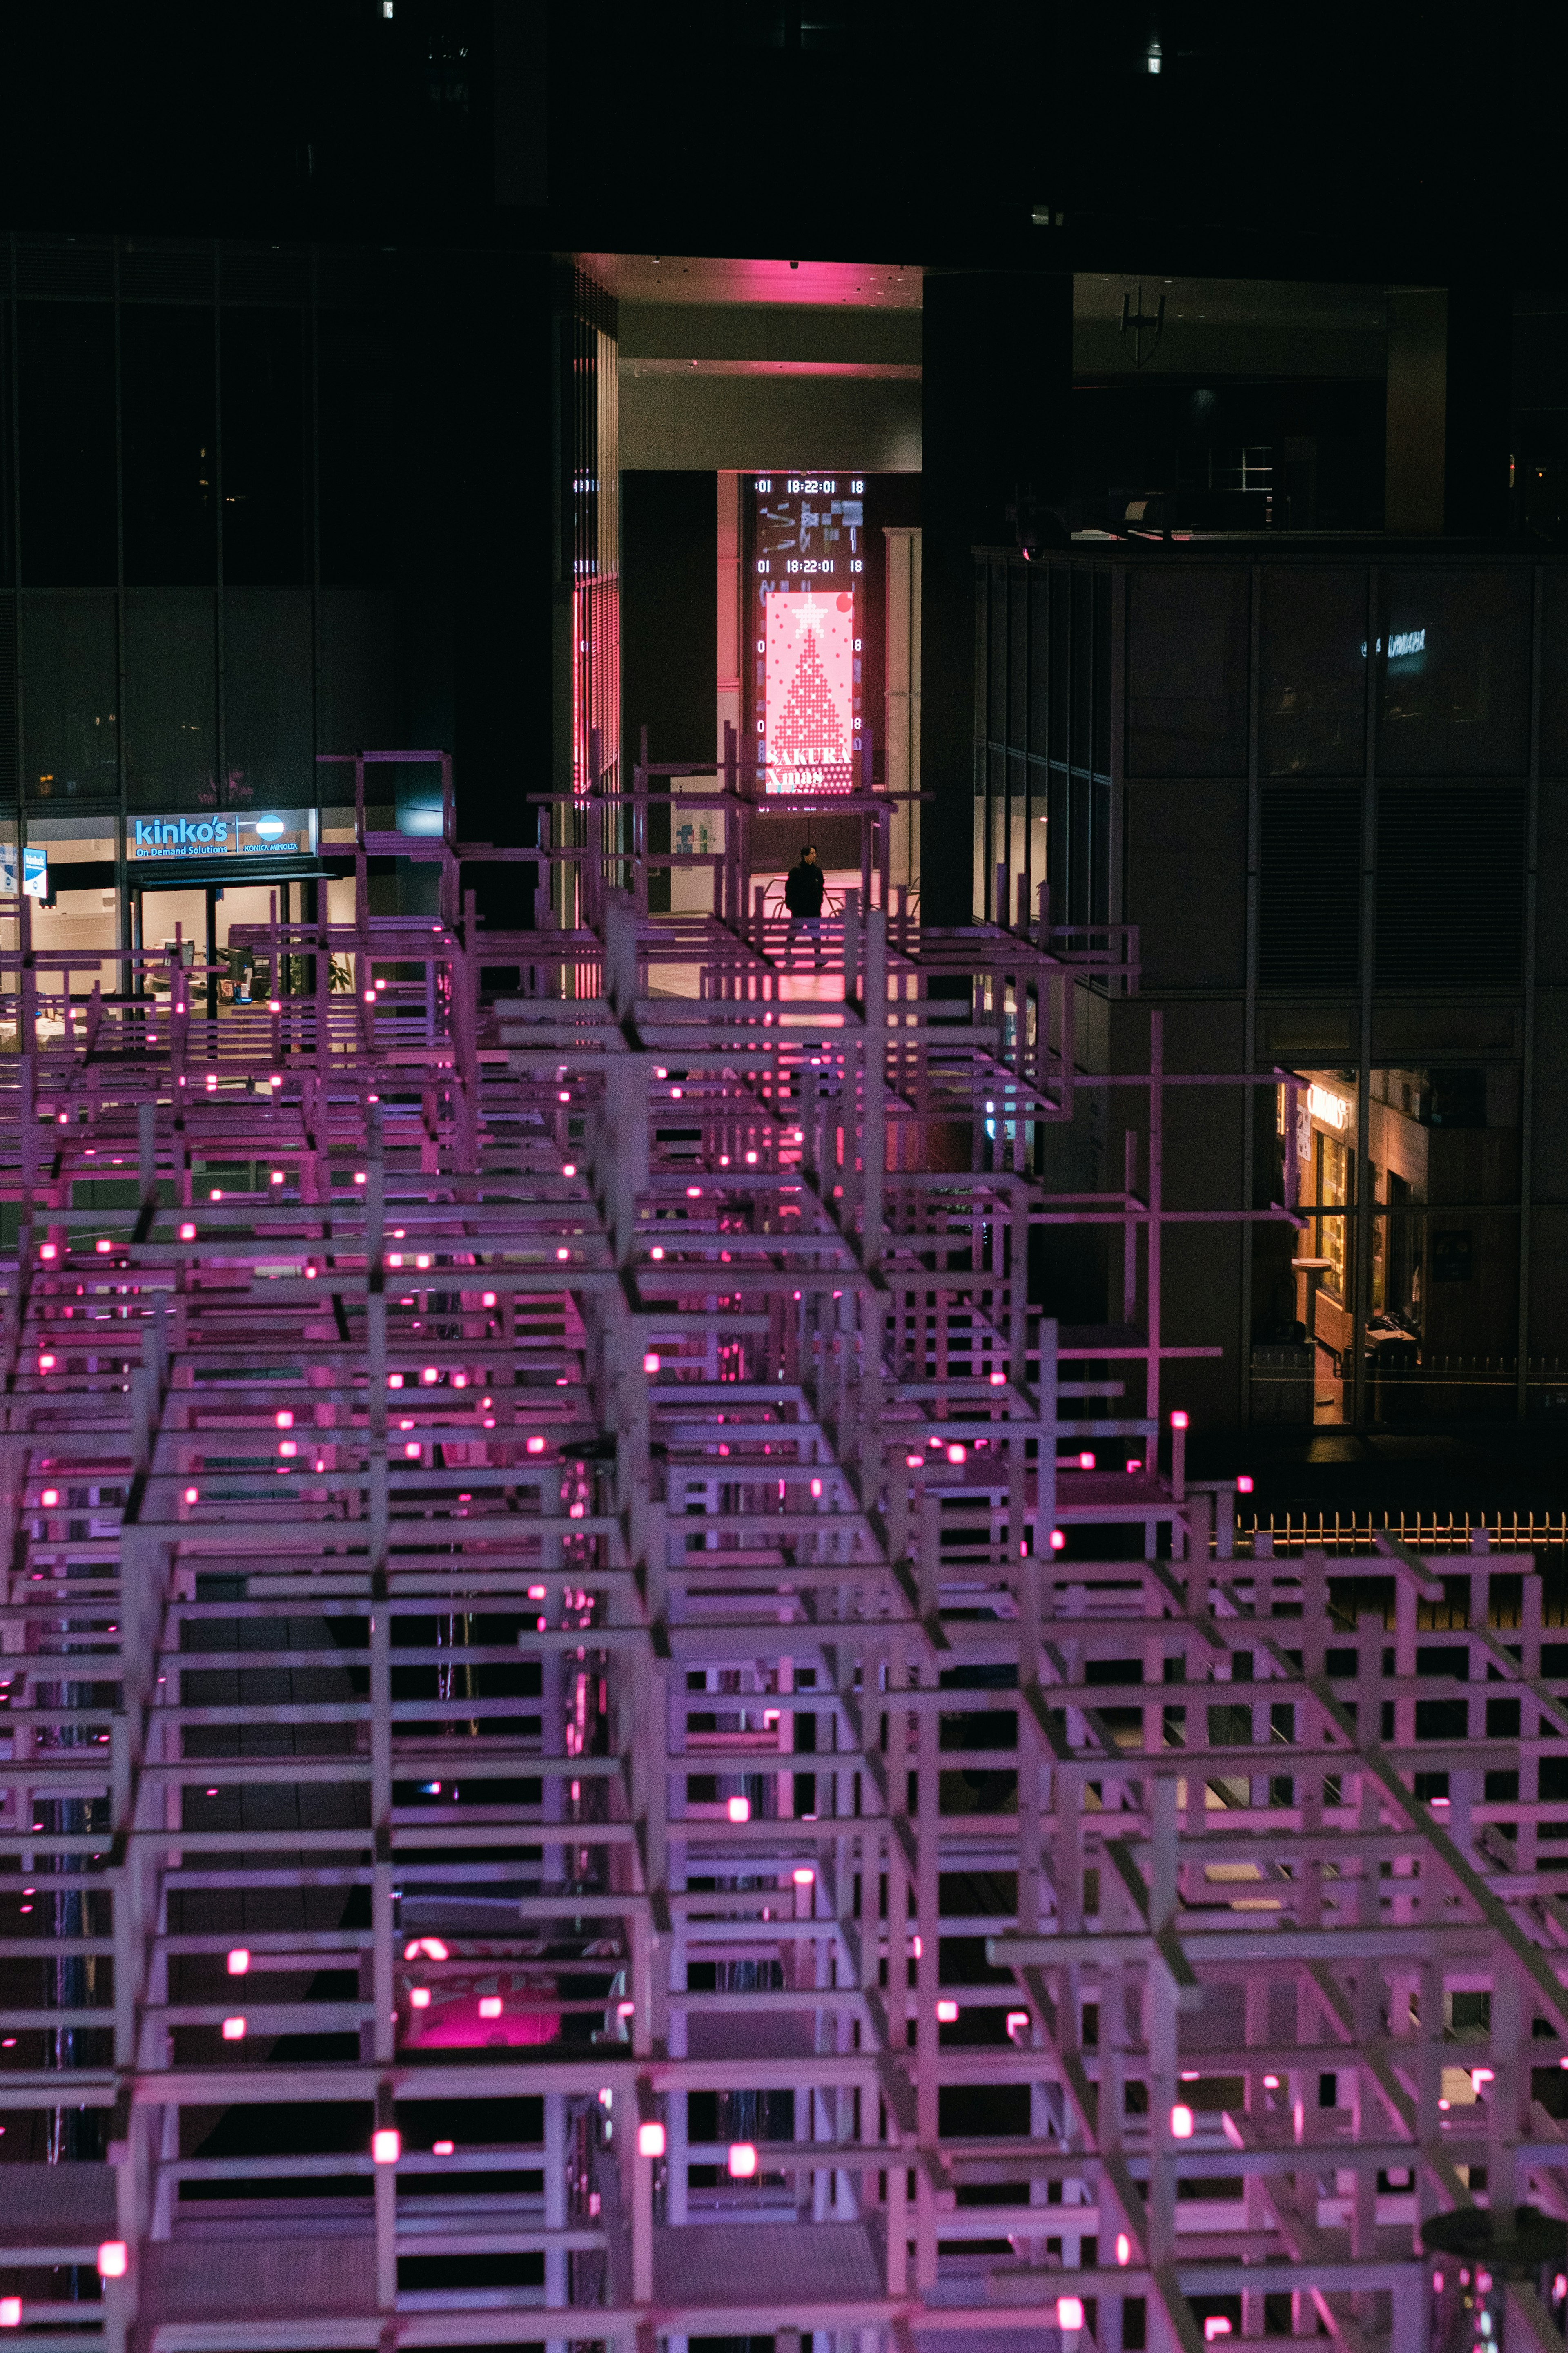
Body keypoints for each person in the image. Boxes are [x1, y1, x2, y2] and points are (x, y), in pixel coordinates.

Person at [784, 844, 826, 968]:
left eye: (815, 853)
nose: (815, 855)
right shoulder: (796, 871)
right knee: (794, 931)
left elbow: (820, 888)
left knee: (816, 934)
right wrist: (791, 905)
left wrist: (819, 903)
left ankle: (818, 958)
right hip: (800, 909)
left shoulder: (817, 871)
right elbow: (790, 890)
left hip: (813, 909)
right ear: (805, 855)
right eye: (812, 853)